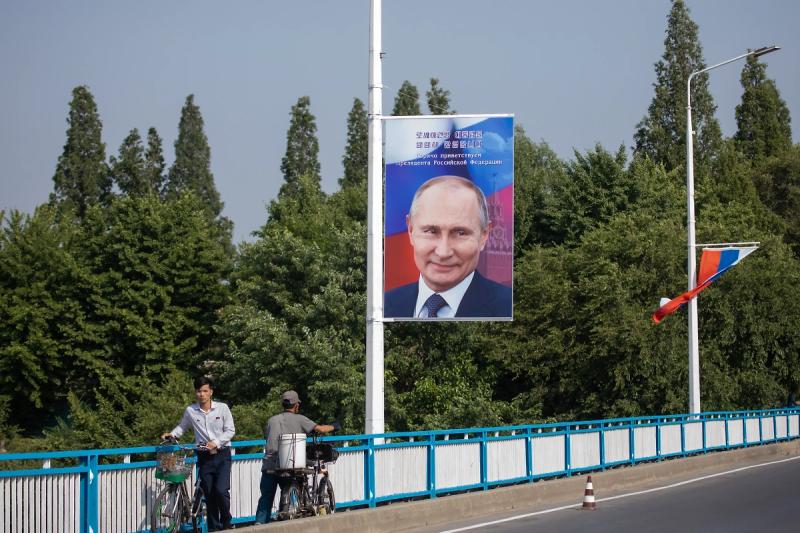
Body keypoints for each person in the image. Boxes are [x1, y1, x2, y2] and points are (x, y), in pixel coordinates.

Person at [384, 175, 512, 318]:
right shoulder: (383, 305)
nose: (443, 252)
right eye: (431, 231)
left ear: (484, 235)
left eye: (460, 233)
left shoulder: (508, 306)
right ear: (410, 230)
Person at [162, 376, 235, 532]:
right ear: (195, 393)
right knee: (209, 494)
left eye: (205, 391)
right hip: (204, 457)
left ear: (211, 392)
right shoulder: (191, 411)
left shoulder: (222, 408)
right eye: (198, 391)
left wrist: (216, 442)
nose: (201, 394)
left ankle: (227, 521)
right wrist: (172, 435)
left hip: (222, 455)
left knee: (221, 491)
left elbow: (230, 430)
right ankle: (214, 528)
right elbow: (182, 427)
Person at [254, 390, 339, 524]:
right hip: (289, 464)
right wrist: (334, 426)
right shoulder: (300, 419)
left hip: (269, 465)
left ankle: (259, 525)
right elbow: (321, 429)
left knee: (265, 498)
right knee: (295, 485)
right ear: (296, 405)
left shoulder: (271, 420)